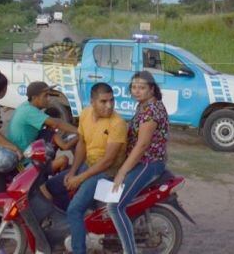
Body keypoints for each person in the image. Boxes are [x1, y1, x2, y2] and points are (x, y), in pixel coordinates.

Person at [45, 83, 128, 254]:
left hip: (107, 173)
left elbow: (108, 161)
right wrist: (73, 171)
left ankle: (78, 249)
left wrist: (79, 179)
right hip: (88, 166)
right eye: (103, 101)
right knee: (52, 186)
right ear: (92, 101)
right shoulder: (85, 114)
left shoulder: (117, 123)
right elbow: (82, 145)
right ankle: (75, 229)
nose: (109, 105)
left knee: (74, 209)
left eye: (112, 100)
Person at [107, 71, 169, 254]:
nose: (137, 91)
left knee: (114, 206)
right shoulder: (143, 106)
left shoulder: (151, 110)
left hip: (148, 163)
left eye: (141, 88)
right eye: (134, 87)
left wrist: (122, 172)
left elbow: (142, 145)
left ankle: (129, 251)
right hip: (140, 161)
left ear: (151, 89)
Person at [6, 81, 78, 163]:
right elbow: (56, 123)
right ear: (34, 98)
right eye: (45, 96)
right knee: (73, 138)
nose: (49, 98)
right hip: (24, 158)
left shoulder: (25, 106)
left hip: (19, 152)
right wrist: (79, 131)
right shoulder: (29, 111)